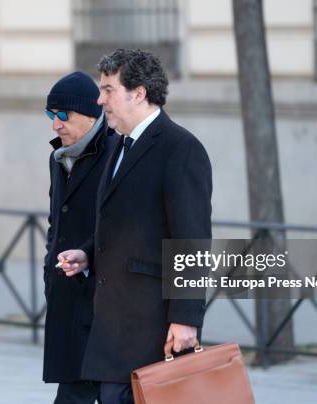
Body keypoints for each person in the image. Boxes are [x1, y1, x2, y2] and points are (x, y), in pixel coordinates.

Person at [57, 49, 213, 404]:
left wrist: (186, 320)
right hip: (112, 330)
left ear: (139, 93)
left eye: (109, 90)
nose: (100, 100)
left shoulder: (181, 149)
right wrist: (87, 253)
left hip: (152, 331)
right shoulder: (117, 146)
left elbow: (192, 242)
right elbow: (123, 222)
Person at [43, 71, 118, 404]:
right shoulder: (57, 157)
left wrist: (87, 255)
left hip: (104, 299)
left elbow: (120, 224)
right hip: (68, 294)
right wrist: (50, 269)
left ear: (91, 114)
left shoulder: (117, 153)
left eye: (63, 115)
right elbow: (55, 220)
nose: (55, 124)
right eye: (50, 114)